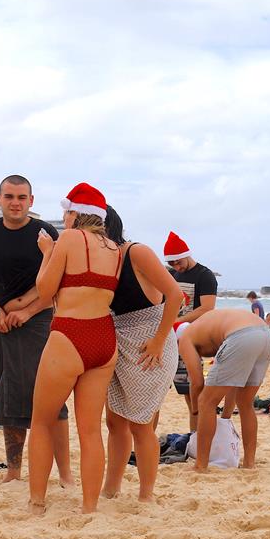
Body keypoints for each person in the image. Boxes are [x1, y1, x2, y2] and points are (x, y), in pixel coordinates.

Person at [0, 174, 74, 486]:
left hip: (41, 321)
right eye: (9, 196)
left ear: (31, 201)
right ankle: (13, 472)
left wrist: (27, 310)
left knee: (51, 396)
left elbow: (59, 283)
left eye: (21, 197)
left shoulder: (45, 233)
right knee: (8, 395)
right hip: (0, 324)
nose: (16, 203)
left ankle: (66, 475)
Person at [28, 183, 123, 515]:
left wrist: (46, 254)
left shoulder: (68, 239)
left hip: (70, 333)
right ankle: (89, 507)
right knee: (90, 430)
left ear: (74, 213)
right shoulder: (115, 248)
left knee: (41, 421)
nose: (63, 218)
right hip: (103, 338)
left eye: (65, 212)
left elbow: (44, 291)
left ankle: (37, 502)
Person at [101, 206, 181, 501]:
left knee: (141, 424)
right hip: (117, 342)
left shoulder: (136, 253)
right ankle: (112, 488)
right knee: (114, 422)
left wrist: (160, 339)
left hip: (150, 342)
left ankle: (146, 494)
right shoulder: (98, 260)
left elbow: (175, 295)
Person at [178, 309, 270, 471]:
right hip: (266, 335)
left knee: (206, 401)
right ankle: (250, 463)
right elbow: (232, 383)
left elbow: (197, 382)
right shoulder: (207, 326)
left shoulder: (184, 338)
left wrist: (195, 409)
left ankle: (201, 465)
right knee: (245, 403)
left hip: (241, 336)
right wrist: (225, 416)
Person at [165, 231, 217, 431]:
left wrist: (178, 319)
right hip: (173, 336)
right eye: (172, 264)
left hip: (193, 337)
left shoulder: (205, 275)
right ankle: (194, 434)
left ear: (186, 254)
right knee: (186, 394)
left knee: (196, 390)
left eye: (178, 262)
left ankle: (198, 435)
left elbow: (207, 308)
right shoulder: (173, 274)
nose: (177, 267)